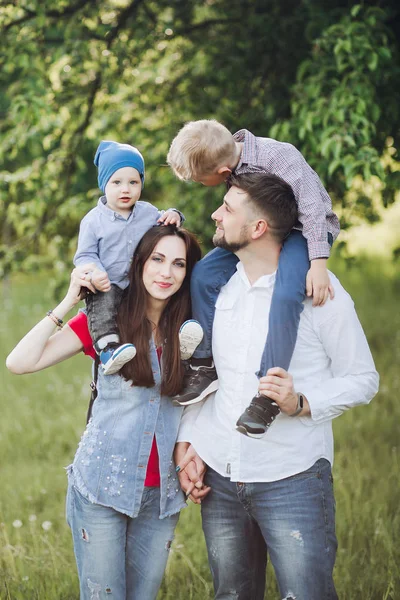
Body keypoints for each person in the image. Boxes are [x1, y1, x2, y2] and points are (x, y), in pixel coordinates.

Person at [174, 173, 379, 600]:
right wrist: (190, 440)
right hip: (221, 479)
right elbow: (208, 374)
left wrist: (301, 401)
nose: (215, 213)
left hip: (293, 478)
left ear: (259, 228)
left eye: (227, 208)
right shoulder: (217, 288)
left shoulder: (319, 291)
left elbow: (363, 378)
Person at [6, 224, 202, 600]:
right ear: (139, 262)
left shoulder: (191, 329)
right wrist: (68, 301)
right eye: (157, 259)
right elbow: (19, 362)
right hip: (101, 487)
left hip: (160, 495)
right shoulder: (107, 324)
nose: (166, 272)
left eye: (178, 264)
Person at [167, 119, 340, 438]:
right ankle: (205, 365)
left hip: (302, 232)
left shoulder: (279, 156)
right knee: (204, 274)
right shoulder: (226, 159)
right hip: (257, 230)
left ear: (219, 175)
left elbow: (313, 209)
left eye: (197, 180)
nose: (197, 183)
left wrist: (317, 262)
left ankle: (268, 395)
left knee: (287, 293)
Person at [74, 140, 201, 376]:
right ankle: (107, 349)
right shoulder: (93, 221)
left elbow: (165, 221)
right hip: (108, 283)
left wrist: (174, 214)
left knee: (171, 296)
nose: (125, 189)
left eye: (133, 182)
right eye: (117, 183)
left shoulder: (147, 212)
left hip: (138, 282)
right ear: (104, 184)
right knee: (102, 309)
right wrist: (95, 272)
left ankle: (182, 339)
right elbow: (85, 255)